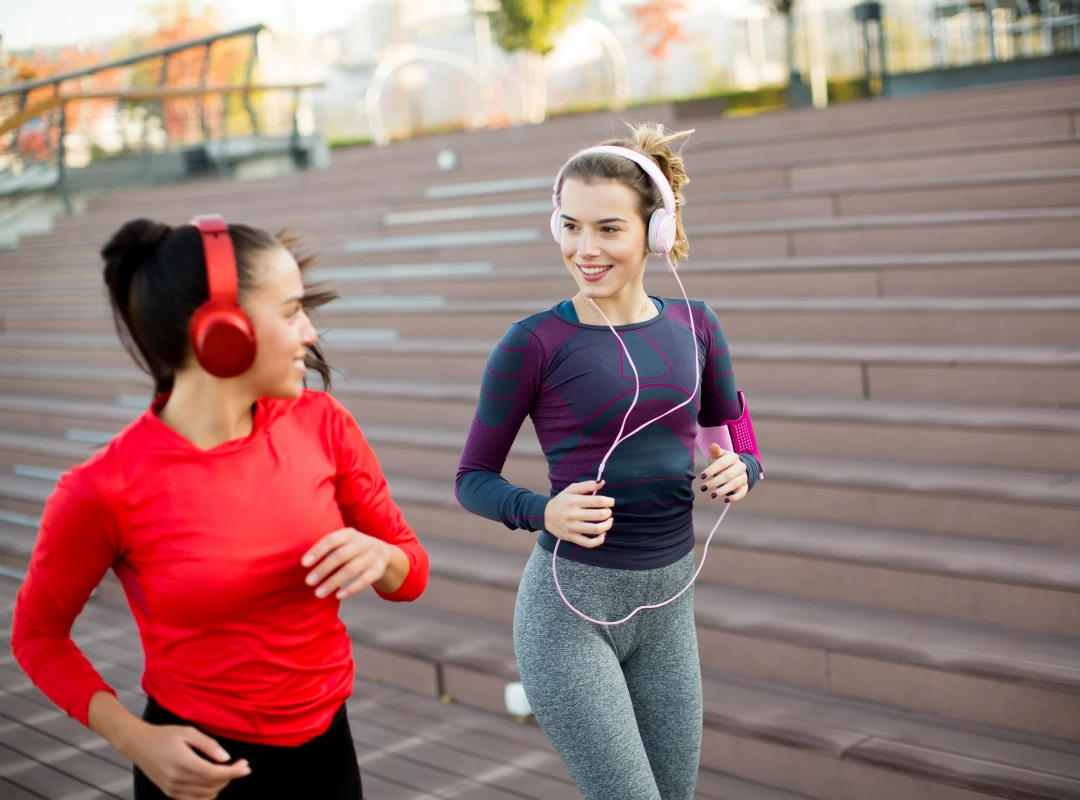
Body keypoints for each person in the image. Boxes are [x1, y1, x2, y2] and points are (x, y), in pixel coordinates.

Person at [11, 217, 430, 800]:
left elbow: (411, 572)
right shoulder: (103, 488)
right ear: (222, 332)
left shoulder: (324, 424)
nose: (309, 331)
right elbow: (38, 636)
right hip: (196, 773)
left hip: (329, 755)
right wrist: (136, 740)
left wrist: (381, 555)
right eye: (289, 312)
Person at [455, 122, 763, 800]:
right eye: (569, 226)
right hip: (568, 616)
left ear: (655, 232)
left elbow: (736, 430)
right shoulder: (533, 342)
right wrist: (543, 510)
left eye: (608, 229)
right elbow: (470, 479)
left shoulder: (699, 325)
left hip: (668, 609)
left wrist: (742, 466)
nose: (583, 249)